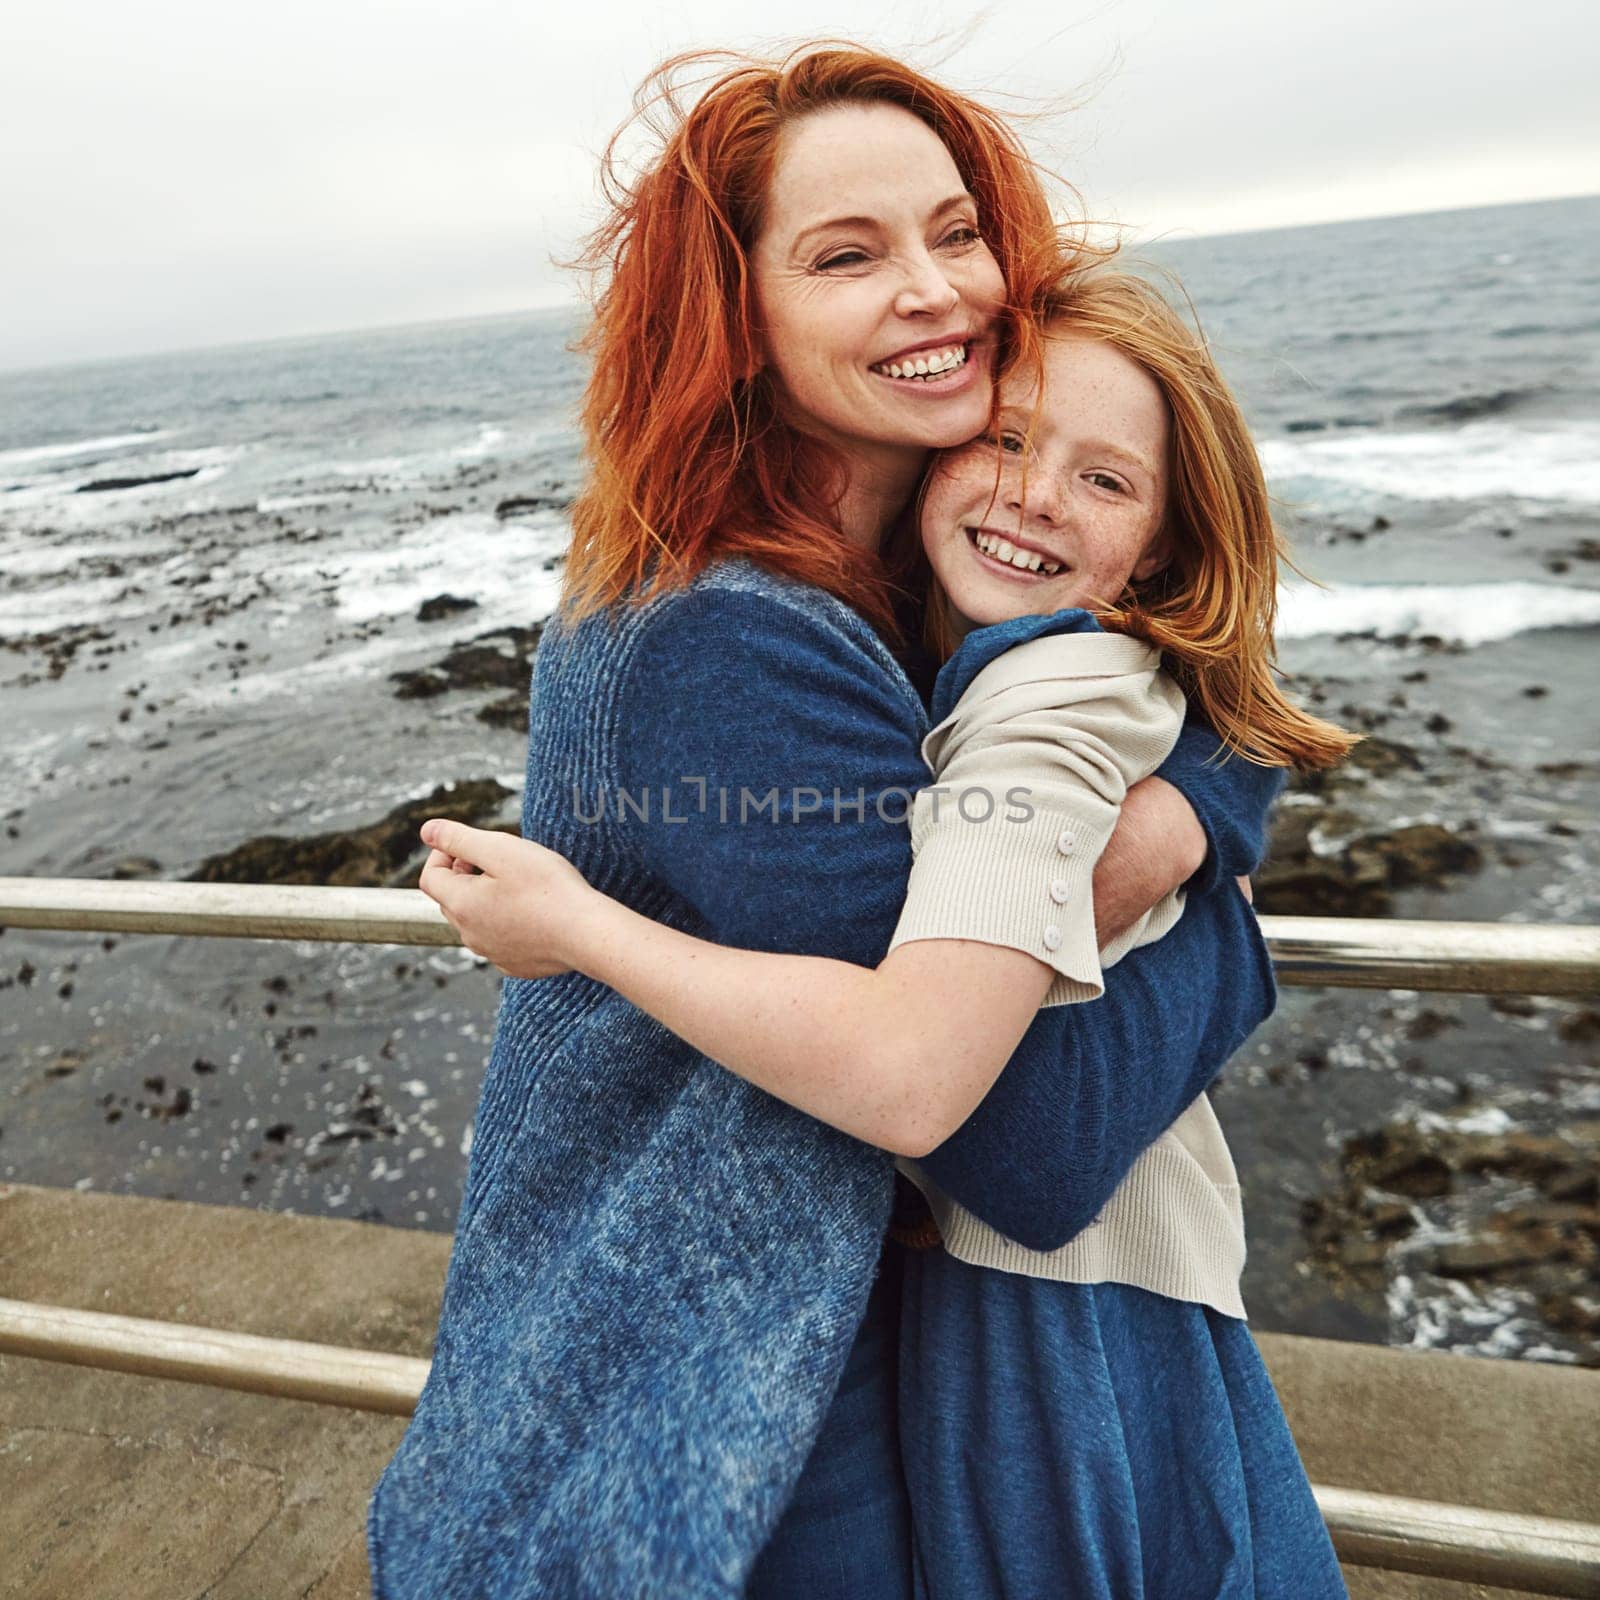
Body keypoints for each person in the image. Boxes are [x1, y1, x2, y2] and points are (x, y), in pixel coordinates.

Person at [367, 45, 1294, 1598]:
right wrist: (1227, 942)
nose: (932, 289)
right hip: (739, 1397)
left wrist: (1198, 815)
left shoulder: (920, 571)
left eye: (954, 232)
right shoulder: (735, 637)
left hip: (808, 1322)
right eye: (847, 256)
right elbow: (1030, 1138)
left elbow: (1191, 669)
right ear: (738, 314)